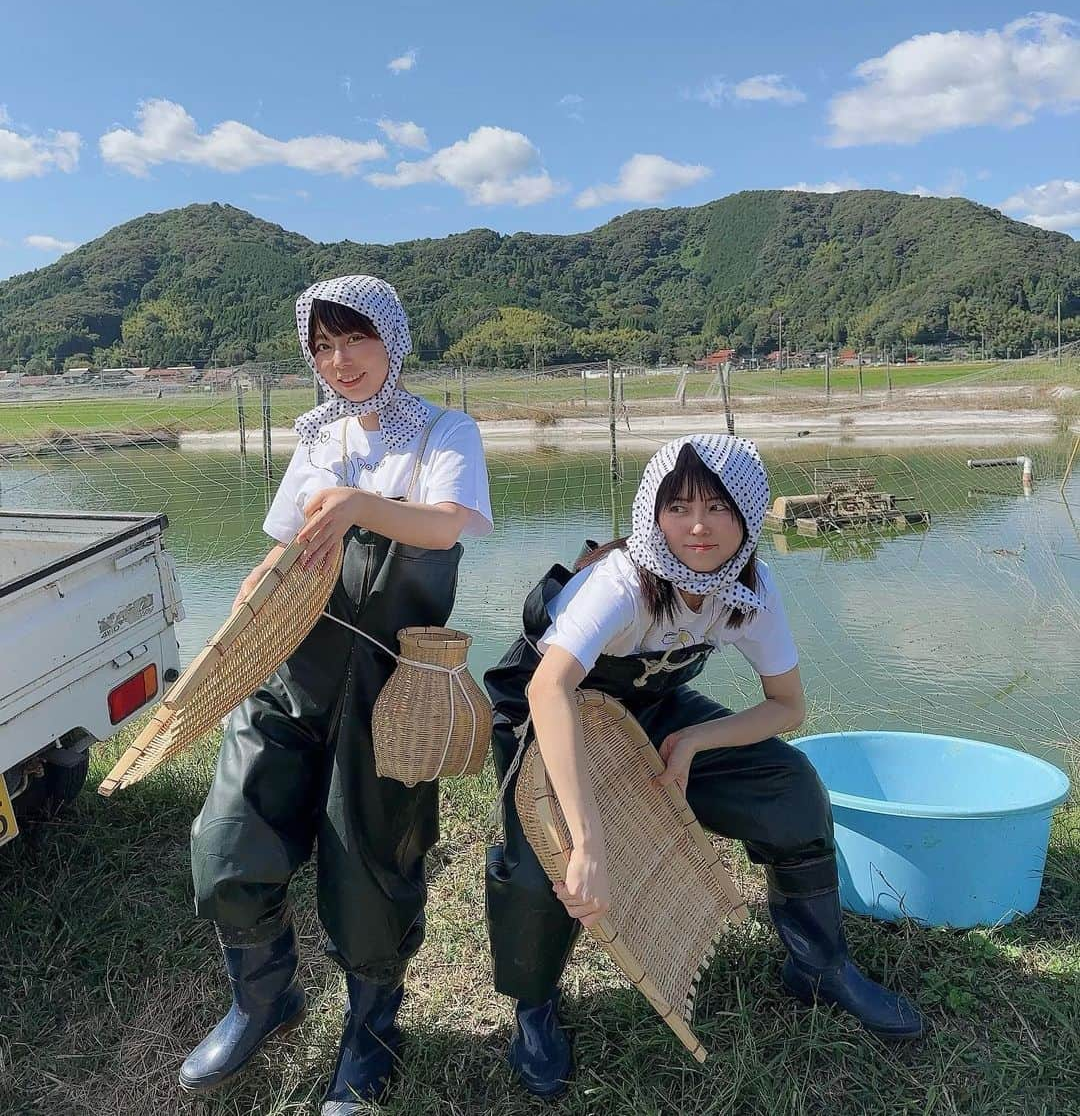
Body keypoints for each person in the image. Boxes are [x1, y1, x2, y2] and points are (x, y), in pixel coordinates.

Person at [485, 434, 922, 1099]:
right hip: (546, 708)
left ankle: (819, 963)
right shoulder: (622, 580)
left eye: (718, 507)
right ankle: (534, 1007)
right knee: (546, 860)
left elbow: (787, 706)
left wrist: (695, 742)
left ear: (748, 516)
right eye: (678, 505)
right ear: (652, 513)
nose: (696, 526)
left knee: (790, 788)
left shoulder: (748, 589)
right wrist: (590, 837)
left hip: (651, 707)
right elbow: (549, 690)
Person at [182, 276, 492, 1112]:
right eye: (322, 346)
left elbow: (443, 526)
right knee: (228, 835)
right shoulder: (316, 438)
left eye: (355, 338)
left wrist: (360, 504)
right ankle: (263, 997)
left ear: (392, 338)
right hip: (292, 669)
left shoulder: (442, 431)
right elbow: (280, 554)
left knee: (370, 868)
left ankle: (372, 1032)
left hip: (391, 691)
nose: (339, 361)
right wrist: (237, 623)